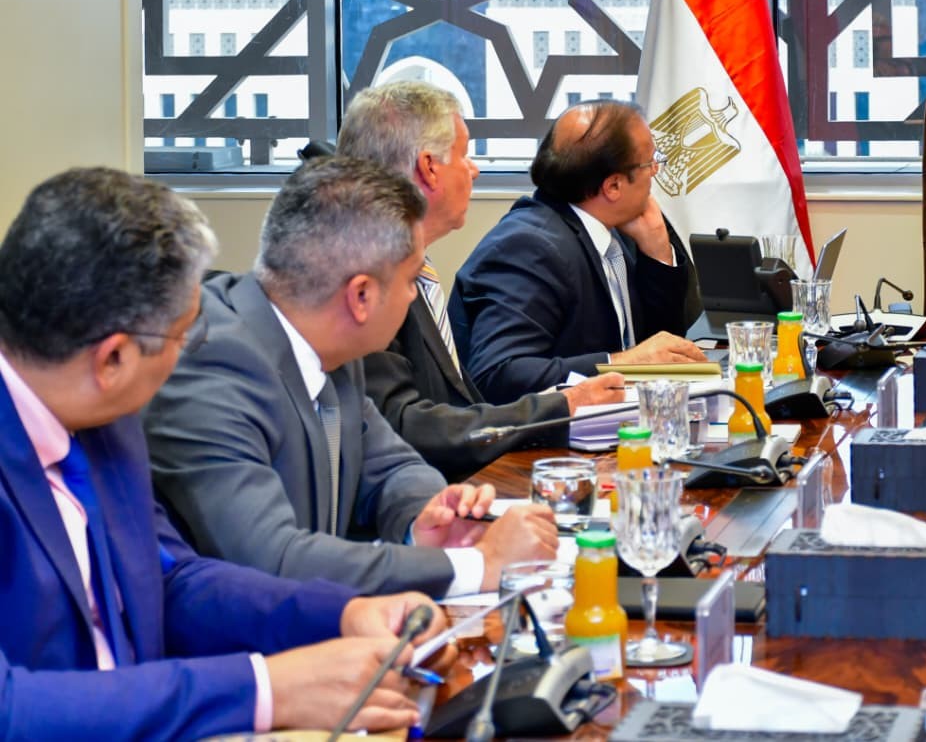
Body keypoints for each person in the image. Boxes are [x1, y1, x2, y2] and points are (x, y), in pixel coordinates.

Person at [0, 167, 454, 738]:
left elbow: (172, 581)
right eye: (183, 334)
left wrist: (343, 613)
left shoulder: (103, 423)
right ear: (112, 359)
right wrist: (268, 689)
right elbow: (11, 707)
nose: (192, 348)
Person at [145, 157, 558, 599]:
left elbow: (392, 465)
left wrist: (425, 514)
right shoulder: (210, 367)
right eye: (411, 280)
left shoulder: (326, 339)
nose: (414, 297)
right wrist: (478, 565)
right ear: (361, 296)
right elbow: (273, 559)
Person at [336, 81, 626, 481]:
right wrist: (563, 407)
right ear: (429, 167)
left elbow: (451, 407)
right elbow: (402, 426)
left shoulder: (405, 262)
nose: (473, 169)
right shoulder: (363, 274)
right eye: (464, 154)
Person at [448, 99, 707, 404]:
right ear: (613, 187)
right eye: (650, 162)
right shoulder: (529, 247)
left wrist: (657, 253)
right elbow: (498, 375)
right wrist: (622, 364)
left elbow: (660, 350)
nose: (655, 171)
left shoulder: (611, 230)